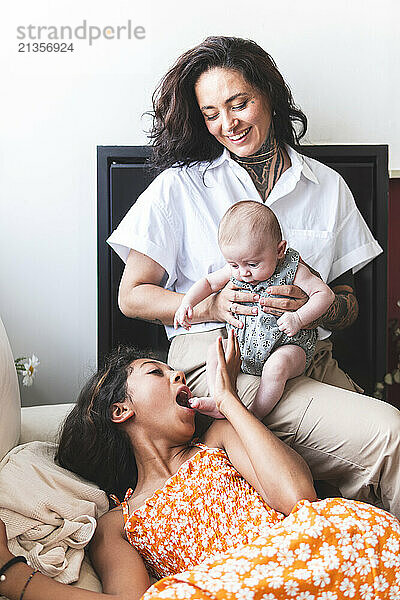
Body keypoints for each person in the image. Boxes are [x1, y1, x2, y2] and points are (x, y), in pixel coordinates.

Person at [107, 35, 400, 517]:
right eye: (211, 113)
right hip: (219, 362)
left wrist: (310, 308)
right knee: (387, 434)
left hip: (303, 356)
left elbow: (348, 300)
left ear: (269, 94)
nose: (227, 124)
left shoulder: (326, 185)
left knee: (370, 462)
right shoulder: (180, 186)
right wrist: (211, 307)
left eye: (239, 103)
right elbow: (132, 296)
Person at [1, 333, 399, 600]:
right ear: (121, 410)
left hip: (309, 560)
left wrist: (228, 400)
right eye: (156, 372)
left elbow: (299, 498)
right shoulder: (117, 523)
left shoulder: (217, 440)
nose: (176, 373)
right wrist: (13, 575)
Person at [174, 201, 334, 419]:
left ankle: (254, 414)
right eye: (234, 265)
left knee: (277, 366)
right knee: (215, 350)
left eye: (253, 264)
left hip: (287, 347)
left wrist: (298, 318)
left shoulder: (293, 269)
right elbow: (209, 283)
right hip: (243, 347)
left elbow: (325, 295)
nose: (243, 273)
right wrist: (187, 303)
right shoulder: (237, 267)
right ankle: (218, 397)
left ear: (279, 250)